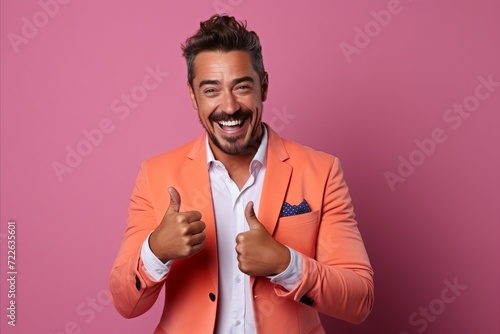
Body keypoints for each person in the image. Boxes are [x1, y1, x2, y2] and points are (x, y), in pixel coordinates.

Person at [109, 14, 374, 334]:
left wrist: (285, 264)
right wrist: (156, 251)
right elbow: (125, 302)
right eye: (211, 90)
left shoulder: (321, 171)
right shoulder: (156, 174)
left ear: (264, 86)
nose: (230, 106)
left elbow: (359, 300)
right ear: (193, 96)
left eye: (242, 86)